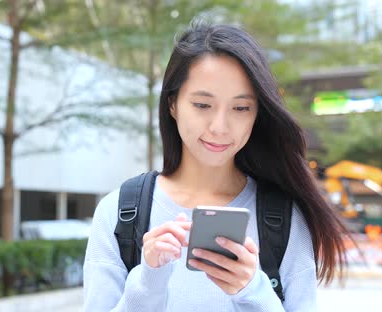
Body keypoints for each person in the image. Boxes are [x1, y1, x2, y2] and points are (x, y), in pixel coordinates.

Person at [83, 22, 348, 311]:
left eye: (241, 108)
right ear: (173, 104)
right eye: (202, 105)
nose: (220, 127)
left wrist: (253, 291)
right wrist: (148, 281)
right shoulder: (119, 213)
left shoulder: (283, 218)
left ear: (257, 114)